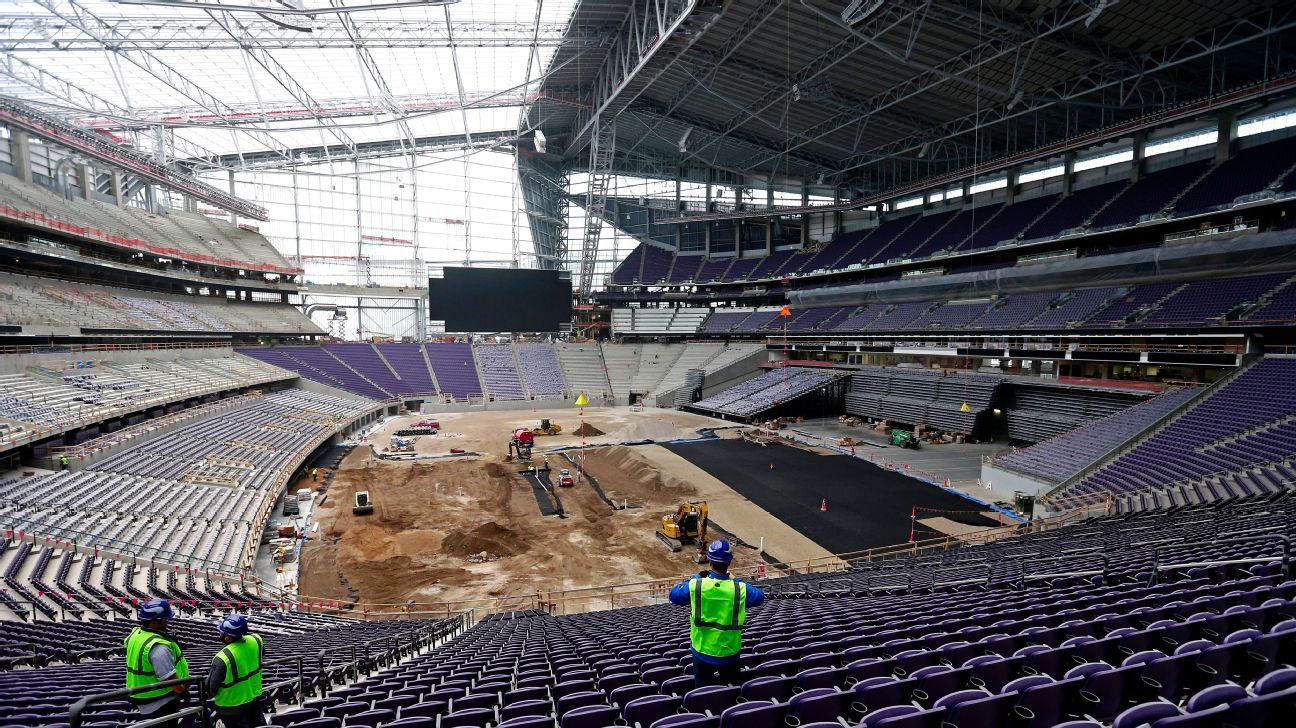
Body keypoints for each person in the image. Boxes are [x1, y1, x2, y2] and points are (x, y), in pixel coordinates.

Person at [669, 539, 764, 688]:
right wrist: (735, 579)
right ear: (729, 563)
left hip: (702, 651)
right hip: (730, 651)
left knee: (702, 689)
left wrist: (696, 577)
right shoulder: (739, 588)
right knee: (732, 688)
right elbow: (759, 596)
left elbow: (674, 595)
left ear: (710, 561)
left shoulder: (697, 585)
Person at [124, 599, 189, 727]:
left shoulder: (136, 634)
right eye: (165, 619)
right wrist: (183, 692)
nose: (168, 621)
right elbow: (168, 678)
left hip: (142, 693)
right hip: (161, 698)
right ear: (153, 622)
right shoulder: (159, 647)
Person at [207, 614, 266, 728]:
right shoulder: (256, 639)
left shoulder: (222, 657)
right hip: (254, 698)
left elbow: (211, 689)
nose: (219, 633)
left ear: (228, 637)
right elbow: (261, 654)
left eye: (222, 631)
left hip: (231, 707)